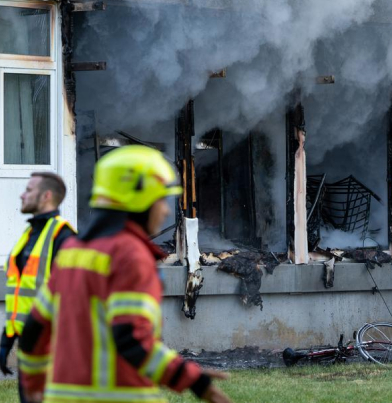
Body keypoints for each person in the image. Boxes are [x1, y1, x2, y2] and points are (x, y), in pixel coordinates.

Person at [17, 146, 232, 403]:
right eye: (160, 199)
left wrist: (33, 388)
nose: (165, 211)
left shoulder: (72, 251)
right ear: (139, 199)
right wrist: (189, 377)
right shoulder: (130, 255)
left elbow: (33, 331)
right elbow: (130, 338)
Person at [0, 172, 76, 403]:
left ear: (46, 196)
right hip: (28, 344)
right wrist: (7, 339)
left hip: (54, 347)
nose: (22, 195)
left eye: (29, 190)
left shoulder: (64, 238)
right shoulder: (29, 235)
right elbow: (20, 294)